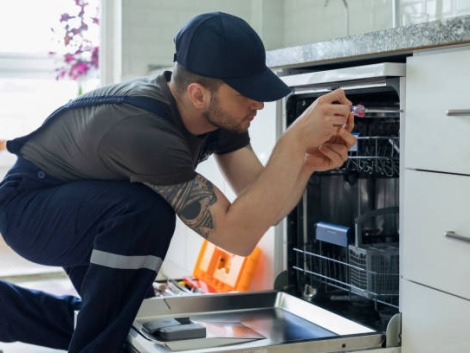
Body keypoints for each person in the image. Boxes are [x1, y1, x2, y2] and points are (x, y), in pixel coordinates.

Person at [0, 11, 356, 353]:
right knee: (147, 213)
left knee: (126, 321)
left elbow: (262, 208)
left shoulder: (218, 117)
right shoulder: (147, 133)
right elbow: (238, 236)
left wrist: (305, 162)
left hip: (89, 202)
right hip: (29, 207)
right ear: (199, 94)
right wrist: (291, 141)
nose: (258, 104)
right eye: (245, 93)